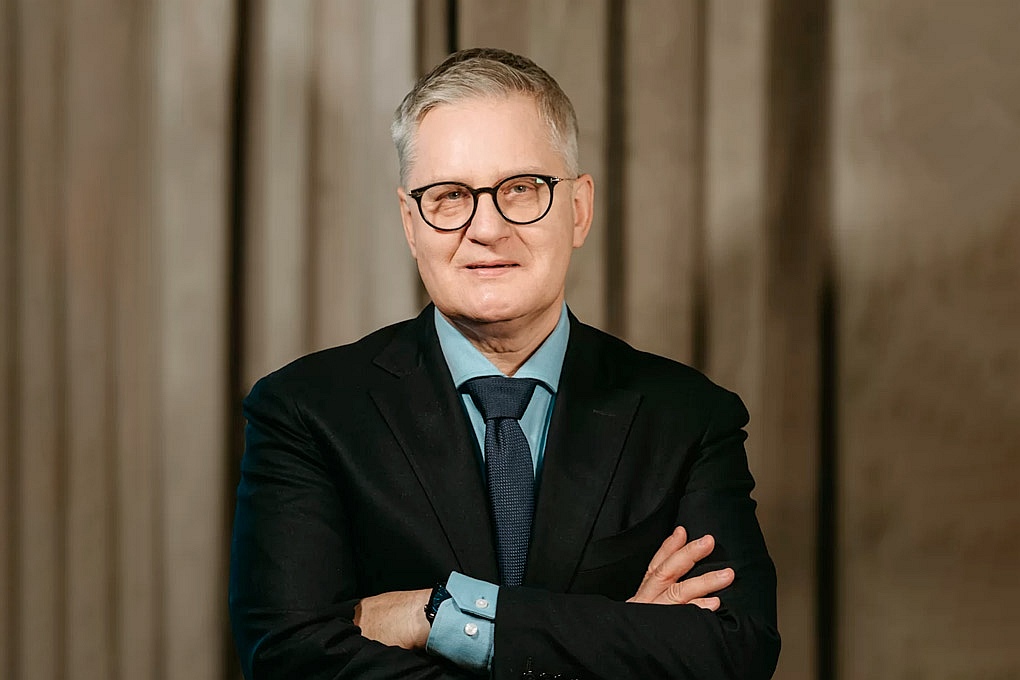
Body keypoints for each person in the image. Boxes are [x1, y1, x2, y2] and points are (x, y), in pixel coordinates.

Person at [229, 48, 779, 680]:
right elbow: (289, 659)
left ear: (579, 210)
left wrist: (440, 617)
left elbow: (734, 651)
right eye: (449, 196)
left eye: (521, 189)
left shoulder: (689, 418)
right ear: (410, 224)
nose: (486, 228)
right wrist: (620, 634)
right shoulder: (305, 412)